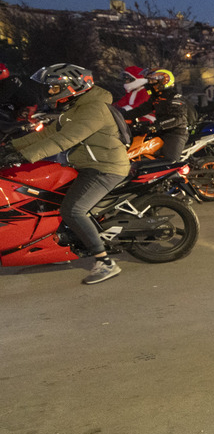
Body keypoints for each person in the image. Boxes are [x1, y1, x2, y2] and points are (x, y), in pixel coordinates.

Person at [7, 64, 130, 284]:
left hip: (105, 168)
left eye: (55, 88)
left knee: (73, 210)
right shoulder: (76, 108)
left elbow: (65, 140)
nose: (50, 92)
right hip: (85, 165)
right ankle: (55, 247)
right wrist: (11, 147)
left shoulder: (94, 109)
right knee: (47, 199)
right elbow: (46, 134)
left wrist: (25, 157)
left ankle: (105, 262)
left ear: (72, 86)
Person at [123, 69, 190, 161]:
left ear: (164, 80)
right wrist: (121, 114)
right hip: (161, 132)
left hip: (175, 134)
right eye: (149, 81)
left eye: (152, 81)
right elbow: (140, 110)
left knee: (169, 162)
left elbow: (177, 118)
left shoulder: (174, 98)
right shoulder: (157, 98)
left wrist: (156, 126)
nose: (150, 84)